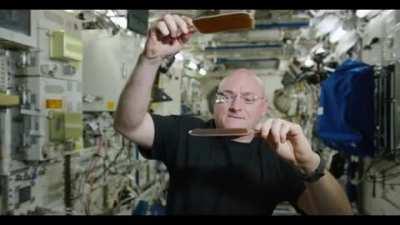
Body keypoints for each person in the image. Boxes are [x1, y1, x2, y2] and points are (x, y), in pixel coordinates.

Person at [114, 14, 353, 215]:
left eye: (248, 99)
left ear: (263, 107)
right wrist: (150, 59)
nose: (236, 106)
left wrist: (310, 162)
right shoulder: (187, 132)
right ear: (213, 102)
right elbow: (129, 125)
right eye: (225, 96)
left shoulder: (279, 153)